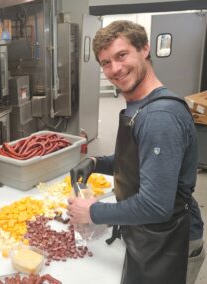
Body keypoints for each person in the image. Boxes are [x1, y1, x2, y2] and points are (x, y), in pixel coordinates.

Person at [67, 20, 205, 284]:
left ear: (144, 49)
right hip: (147, 234)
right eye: (106, 62)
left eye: (121, 55)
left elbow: (155, 206)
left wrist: (93, 213)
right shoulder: (137, 105)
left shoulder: (159, 116)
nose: (115, 69)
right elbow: (136, 163)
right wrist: (96, 163)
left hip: (171, 242)